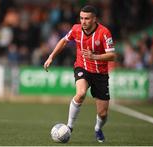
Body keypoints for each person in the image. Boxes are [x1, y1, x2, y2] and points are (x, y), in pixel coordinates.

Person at [44, 5, 116, 143]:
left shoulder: (104, 32)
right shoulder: (76, 29)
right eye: (82, 18)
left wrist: (95, 57)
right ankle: (69, 127)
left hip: (100, 74)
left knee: (103, 113)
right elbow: (64, 40)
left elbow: (112, 55)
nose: (83, 21)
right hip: (82, 67)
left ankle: (98, 128)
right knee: (81, 93)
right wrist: (51, 56)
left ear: (94, 19)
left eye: (87, 19)